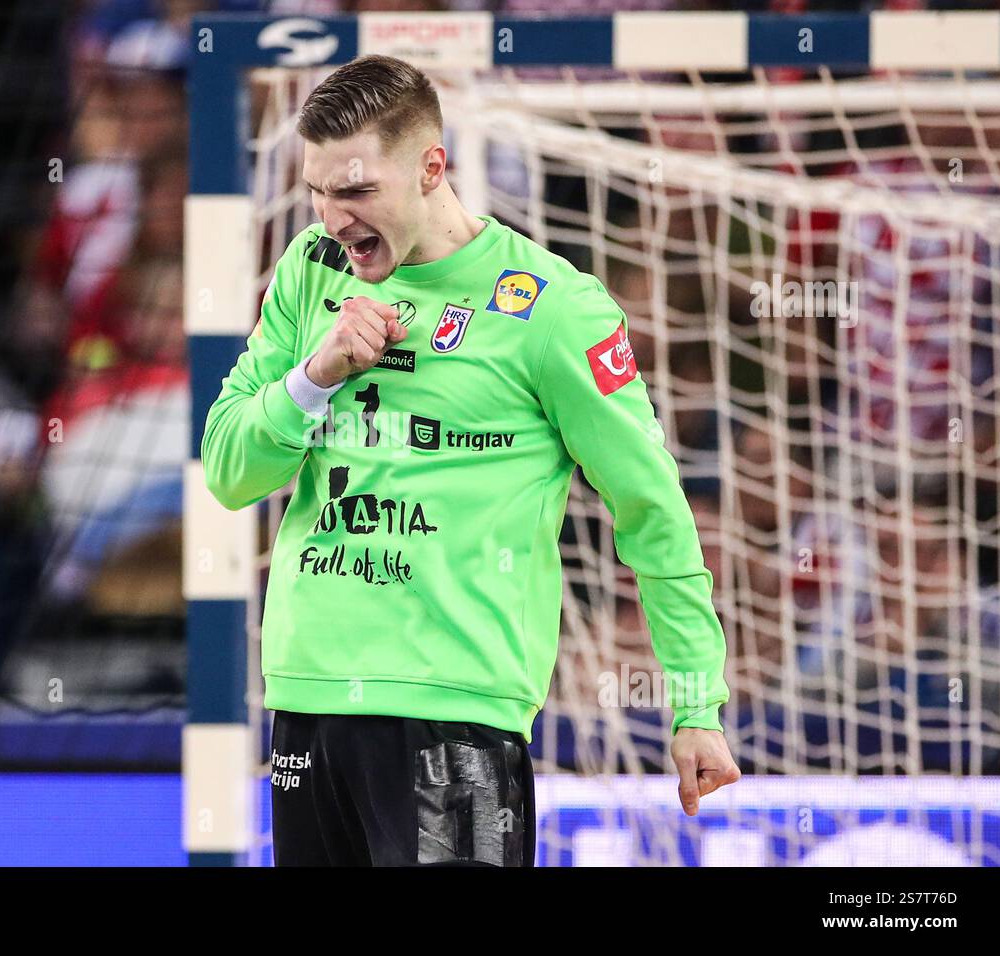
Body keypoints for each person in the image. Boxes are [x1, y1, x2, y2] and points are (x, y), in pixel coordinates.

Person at [201, 55, 738, 867]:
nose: (331, 218)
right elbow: (229, 470)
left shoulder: (551, 308)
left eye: (354, 192)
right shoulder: (310, 274)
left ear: (430, 168)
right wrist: (314, 378)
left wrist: (695, 699)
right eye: (317, 191)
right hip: (306, 704)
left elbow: (651, 505)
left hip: (455, 718)